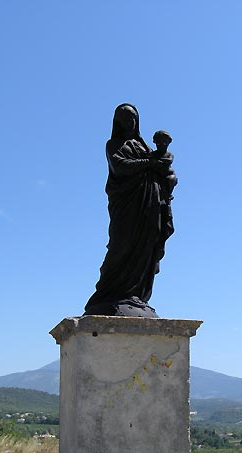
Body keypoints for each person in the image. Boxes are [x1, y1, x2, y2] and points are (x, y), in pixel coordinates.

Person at [83, 104, 176, 317]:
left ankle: (135, 295)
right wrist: (149, 163)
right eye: (123, 119)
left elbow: (163, 167)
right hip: (126, 205)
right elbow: (120, 166)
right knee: (121, 245)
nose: (128, 123)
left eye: (131, 118)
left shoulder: (143, 145)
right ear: (117, 122)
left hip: (150, 204)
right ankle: (108, 294)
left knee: (146, 247)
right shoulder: (113, 144)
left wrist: (166, 176)